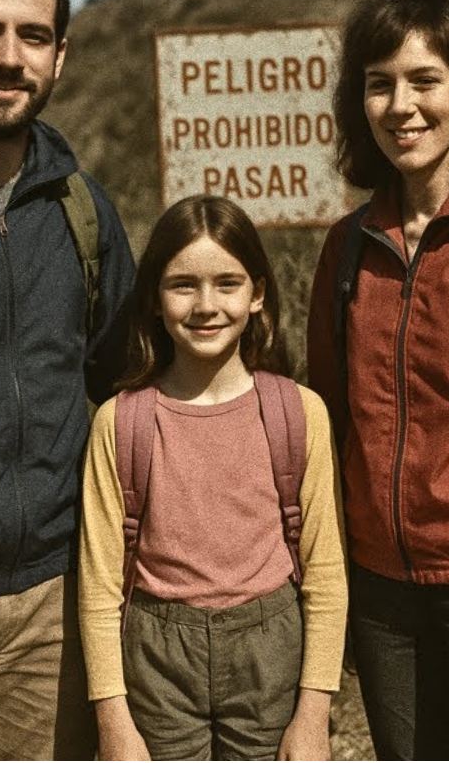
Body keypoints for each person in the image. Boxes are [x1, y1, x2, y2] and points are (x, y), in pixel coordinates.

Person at [0, 0, 135, 760]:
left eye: (34, 36)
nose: (9, 58)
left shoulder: (84, 214)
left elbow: (123, 385)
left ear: (61, 54)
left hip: (56, 602)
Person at [78, 195, 348, 761]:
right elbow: (99, 589)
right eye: (183, 285)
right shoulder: (121, 421)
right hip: (155, 661)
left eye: (227, 283)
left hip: (271, 653)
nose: (206, 305)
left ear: (257, 293)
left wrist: (313, 713)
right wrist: (113, 721)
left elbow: (324, 574)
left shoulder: (298, 414)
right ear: (153, 297)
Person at [307, 0, 449, 761]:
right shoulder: (346, 250)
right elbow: (328, 420)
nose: (402, 107)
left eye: (425, 80)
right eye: (379, 85)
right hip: (379, 594)